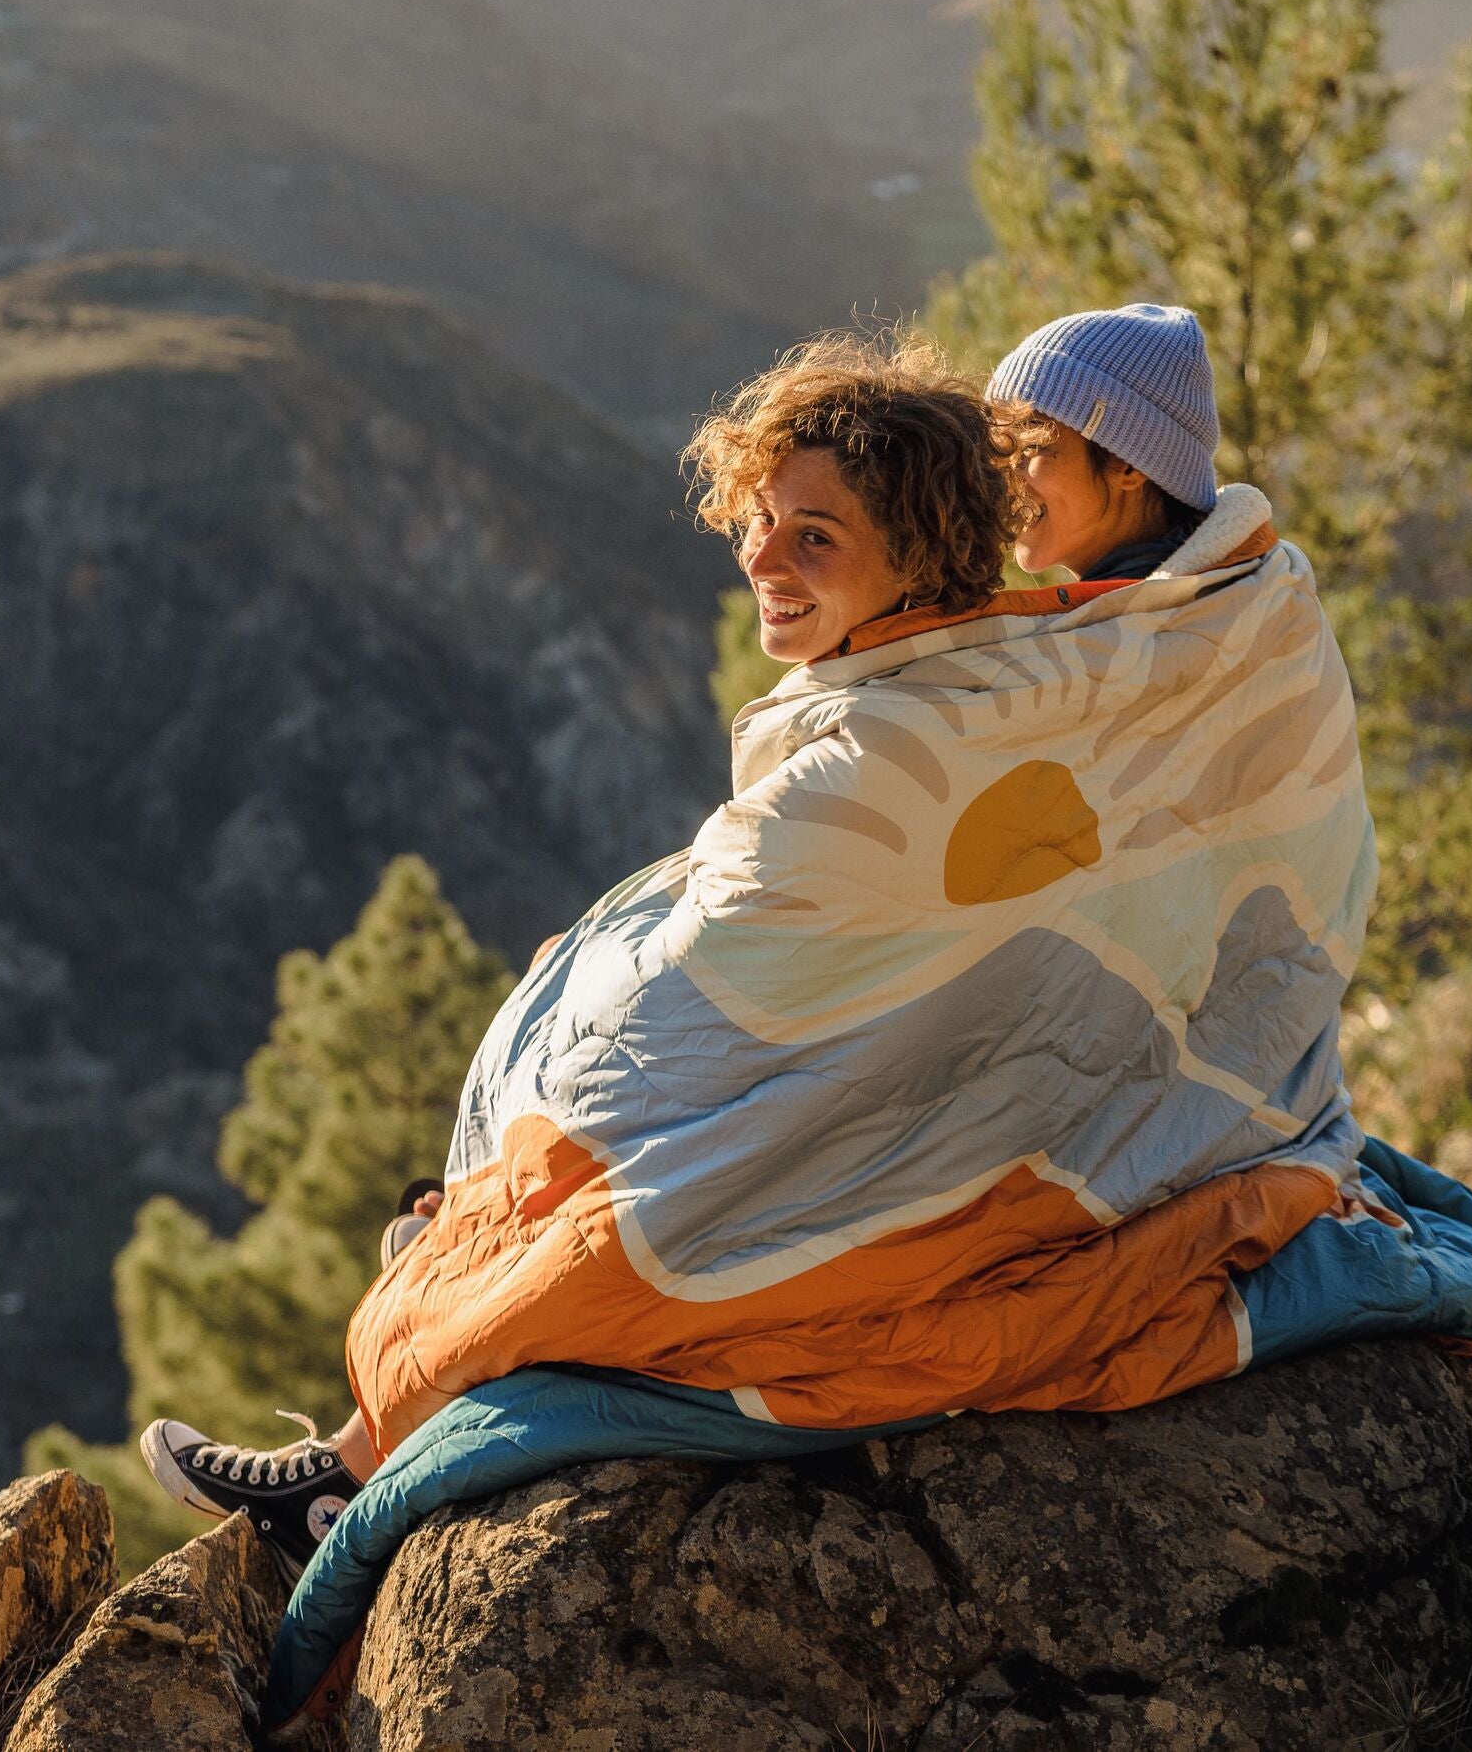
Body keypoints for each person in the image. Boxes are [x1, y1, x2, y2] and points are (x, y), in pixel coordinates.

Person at [138, 330, 1025, 1571]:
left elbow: (680, 1018)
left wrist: (534, 1132)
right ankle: (370, 1425)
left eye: (812, 535)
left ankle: (339, 1481)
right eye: (756, 519)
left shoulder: (866, 758)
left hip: (875, 1160)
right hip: (904, 1103)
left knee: (557, 1204)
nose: (761, 557)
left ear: (919, 549)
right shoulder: (973, 686)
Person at [989, 301, 1222, 583]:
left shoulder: (1184, 621)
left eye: (1031, 445)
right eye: (1001, 448)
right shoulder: (1239, 596)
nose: (1002, 476)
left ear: (1129, 462)